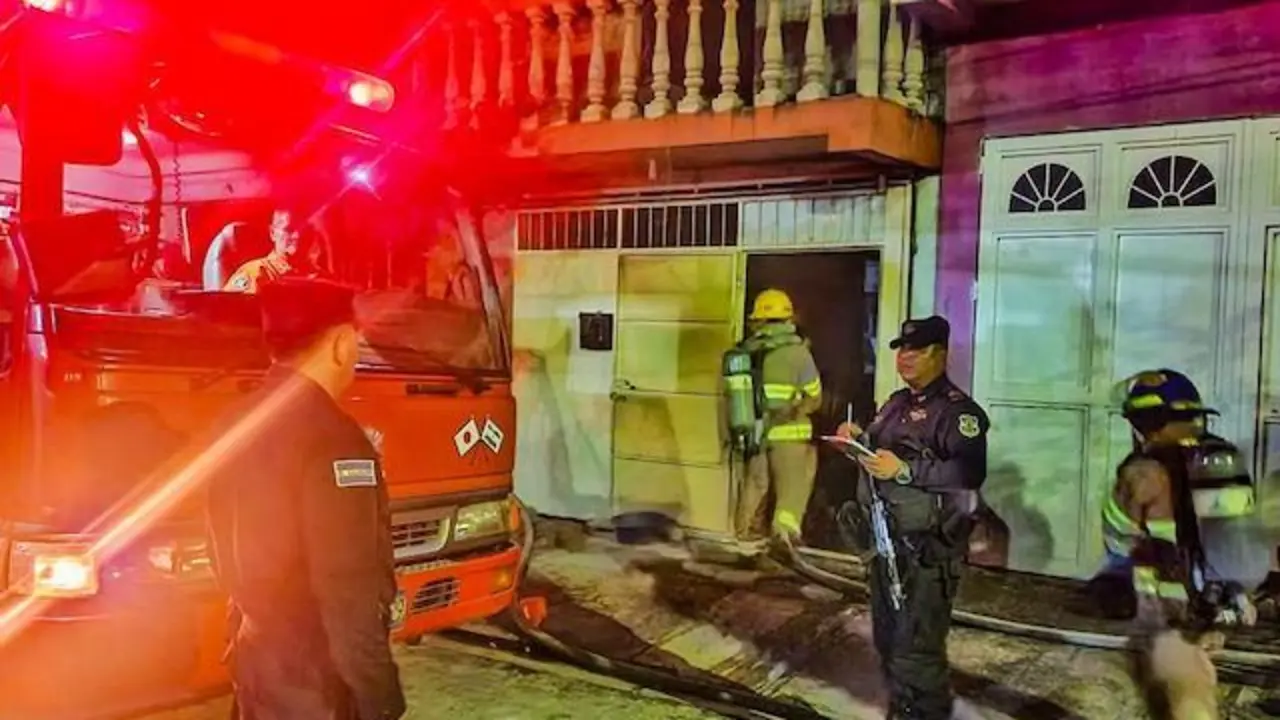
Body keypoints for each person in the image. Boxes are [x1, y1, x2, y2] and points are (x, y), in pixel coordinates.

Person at [206, 278, 405, 720]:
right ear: (339, 344)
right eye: (357, 341)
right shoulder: (335, 442)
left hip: (255, 661)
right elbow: (348, 590)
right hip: (315, 683)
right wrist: (381, 698)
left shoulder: (232, 421)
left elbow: (218, 546)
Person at [835, 315, 988, 720]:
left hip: (926, 550)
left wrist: (905, 471)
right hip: (886, 545)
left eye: (915, 350)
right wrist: (858, 441)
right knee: (889, 640)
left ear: (940, 354)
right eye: (901, 350)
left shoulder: (957, 413)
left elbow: (969, 472)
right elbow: (879, 450)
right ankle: (902, 710)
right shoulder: (896, 403)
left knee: (917, 648)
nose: (904, 358)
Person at [733, 288, 823, 554]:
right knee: (793, 488)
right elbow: (815, 398)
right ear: (788, 319)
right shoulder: (798, 354)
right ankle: (784, 543)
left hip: (755, 433)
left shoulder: (745, 352)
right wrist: (797, 406)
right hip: (790, 436)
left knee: (755, 487)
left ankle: (746, 543)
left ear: (758, 319)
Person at [223, 207, 326, 293]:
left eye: (305, 230)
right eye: (289, 229)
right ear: (273, 233)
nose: (297, 236)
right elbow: (234, 314)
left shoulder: (323, 280)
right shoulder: (255, 273)